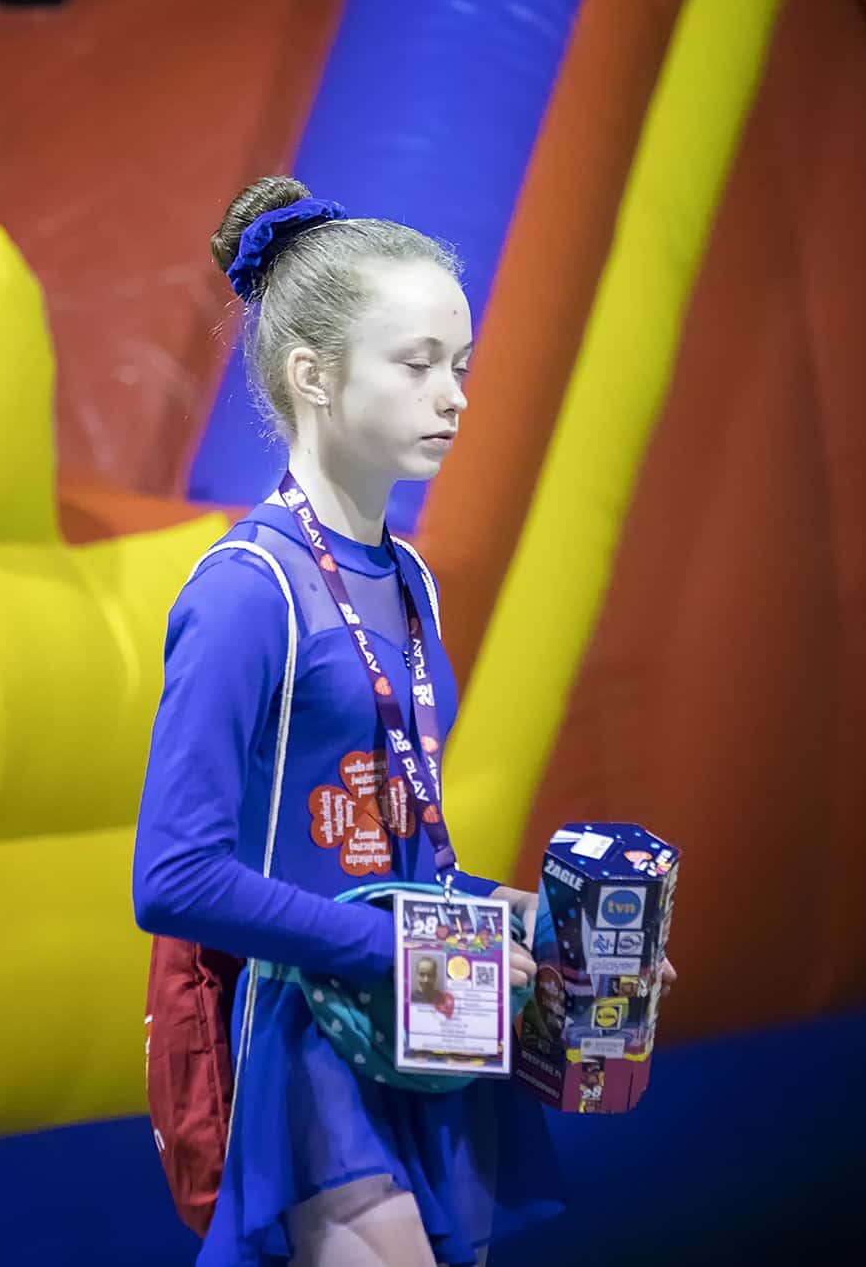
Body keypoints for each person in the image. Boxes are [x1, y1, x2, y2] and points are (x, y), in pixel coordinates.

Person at [131, 176, 559, 1266]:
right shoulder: (245, 591)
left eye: (460, 365)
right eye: (416, 365)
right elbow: (172, 879)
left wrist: (519, 922)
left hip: (423, 1018)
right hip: (309, 1043)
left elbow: (386, 850)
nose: (452, 396)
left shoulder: (410, 580)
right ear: (312, 374)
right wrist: (398, 944)